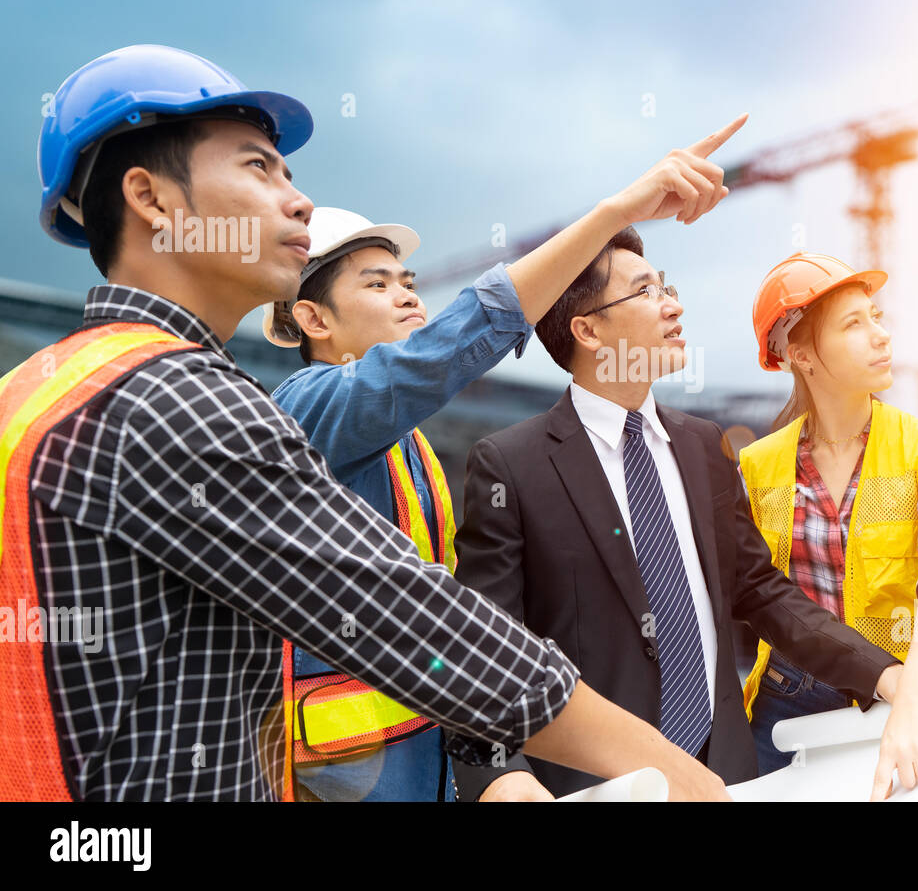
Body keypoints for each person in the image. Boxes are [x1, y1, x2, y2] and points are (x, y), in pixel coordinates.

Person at [0, 43, 731, 801]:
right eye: (258, 166)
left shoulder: (47, 389)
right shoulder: (179, 402)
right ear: (152, 199)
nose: (297, 199)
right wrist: (681, 778)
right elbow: (417, 617)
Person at [265, 108, 745, 804]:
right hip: (344, 777)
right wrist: (613, 213)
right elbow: (438, 356)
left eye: (406, 278)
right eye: (375, 283)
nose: (405, 292)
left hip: (418, 765)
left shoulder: (408, 447)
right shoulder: (307, 412)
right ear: (313, 320)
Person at [447, 227, 916, 801]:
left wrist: (881, 672)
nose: (674, 305)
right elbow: (480, 644)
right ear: (588, 330)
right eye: (645, 292)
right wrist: (500, 777)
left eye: (665, 286)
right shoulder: (511, 467)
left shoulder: (701, 444)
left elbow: (759, 591)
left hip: (724, 776)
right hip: (591, 787)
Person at [741, 251, 918, 799]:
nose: (881, 336)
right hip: (787, 703)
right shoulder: (757, 465)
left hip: (908, 692)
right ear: (800, 353)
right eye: (855, 323)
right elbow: (750, 592)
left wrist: (916, 700)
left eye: (877, 316)